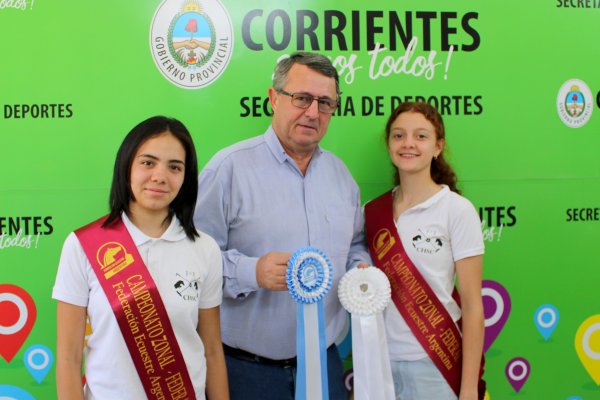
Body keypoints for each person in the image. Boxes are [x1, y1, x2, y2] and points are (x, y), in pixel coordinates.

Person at [194, 52, 371, 400]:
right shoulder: (228, 169)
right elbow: (192, 260)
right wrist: (251, 271)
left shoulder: (342, 177)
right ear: (274, 98)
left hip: (325, 366)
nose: (313, 112)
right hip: (245, 371)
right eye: (302, 98)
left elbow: (356, 244)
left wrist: (360, 271)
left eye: (325, 103)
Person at [53, 116, 229, 400]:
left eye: (175, 167)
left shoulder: (204, 248)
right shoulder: (83, 245)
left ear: (186, 177)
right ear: (127, 167)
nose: (160, 176)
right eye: (148, 162)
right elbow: (68, 358)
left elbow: (211, 351)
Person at [363, 102, 485, 400]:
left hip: (435, 366)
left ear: (438, 147)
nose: (408, 144)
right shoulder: (372, 212)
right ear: (389, 144)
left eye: (421, 136)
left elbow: (472, 306)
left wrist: (468, 389)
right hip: (379, 364)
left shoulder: (456, 210)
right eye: (398, 135)